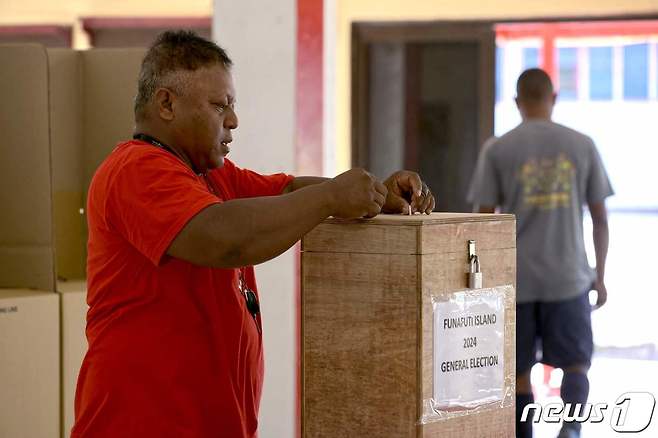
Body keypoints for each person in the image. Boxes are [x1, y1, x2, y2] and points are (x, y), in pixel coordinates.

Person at [71, 30, 435, 438]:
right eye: (219, 105)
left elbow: (289, 191)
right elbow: (225, 239)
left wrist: (374, 195)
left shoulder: (209, 176)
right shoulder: (136, 171)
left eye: (233, 106)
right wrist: (332, 198)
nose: (233, 121)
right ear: (167, 104)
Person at [467, 68, 612, 438]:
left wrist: (483, 283)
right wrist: (600, 275)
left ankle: (523, 433)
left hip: (517, 281)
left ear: (517, 102)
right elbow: (599, 220)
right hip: (568, 278)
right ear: (554, 98)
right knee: (576, 363)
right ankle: (571, 429)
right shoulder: (582, 144)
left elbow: (484, 222)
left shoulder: (498, 149)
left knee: (517, 371)